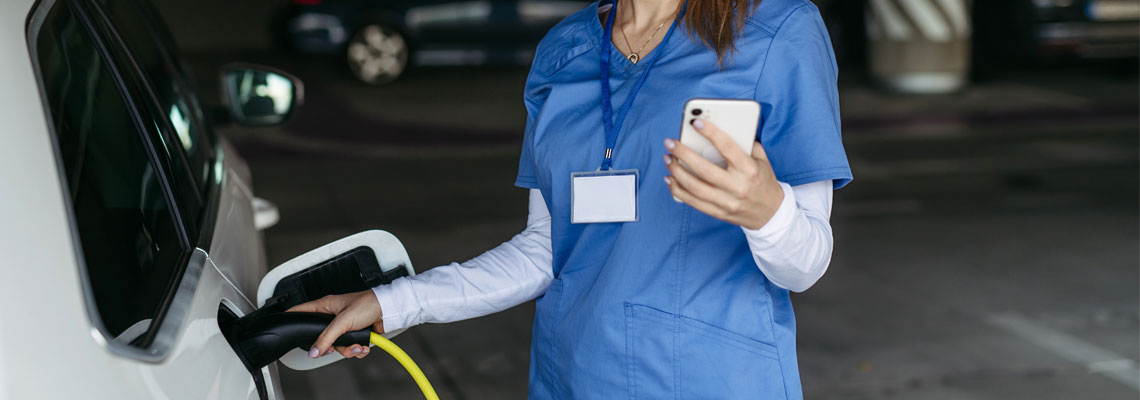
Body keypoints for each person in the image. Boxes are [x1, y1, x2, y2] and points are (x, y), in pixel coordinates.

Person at [288, 0, 851, 397]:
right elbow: (545, 251)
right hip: (571, 378)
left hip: (712, 381)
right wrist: (392, 303)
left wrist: (766, 211)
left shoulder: (778, 30)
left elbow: (805, 265)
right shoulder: (564, 49)